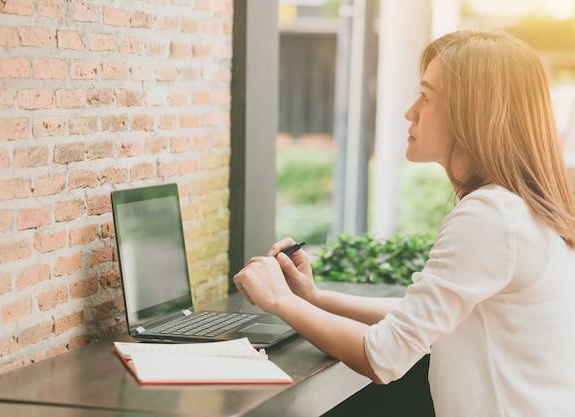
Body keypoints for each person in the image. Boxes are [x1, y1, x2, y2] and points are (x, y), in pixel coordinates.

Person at [233, 29, 575, 417]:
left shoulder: (491, 217)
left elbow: (383, 356)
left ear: (472, 113)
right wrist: (313, 298)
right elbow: (420, 315)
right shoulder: (521, 210)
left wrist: (277, 300)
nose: (410, 110)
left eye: (426, 96)